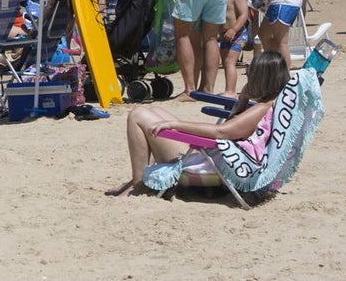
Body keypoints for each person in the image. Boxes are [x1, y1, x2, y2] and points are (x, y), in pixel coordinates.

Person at [106, 50, 290, 197]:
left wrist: (174, 125)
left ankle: (138, 184)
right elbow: (233, 132)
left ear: (261, 79)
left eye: (251, 75)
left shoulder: (262, 109)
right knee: (154, 112)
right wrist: (242, 100)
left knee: (137, 114)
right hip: (216, 156)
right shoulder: (270, 107)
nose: (247, 79)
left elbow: (222, 132)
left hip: (209, 164)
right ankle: (140, 179)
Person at [219, 0, 251, 97]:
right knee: (226, 62)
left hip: (237, 34)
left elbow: (244, 15)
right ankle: (228, 88)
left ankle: (231, 90)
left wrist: (234, 29)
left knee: (230, 62)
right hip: (225, 35)